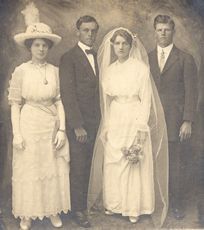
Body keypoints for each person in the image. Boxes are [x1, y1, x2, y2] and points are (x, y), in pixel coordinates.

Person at [87, 28, 168, 227]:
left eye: (125, 43)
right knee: (114, 160)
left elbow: (146, 99)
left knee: (134, 160)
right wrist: (106, 125)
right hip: (115, 117)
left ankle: (134, 207)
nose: (121, 47)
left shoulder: (140, 68)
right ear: (112, 46)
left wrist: (141, 126)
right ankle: (115, 204)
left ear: (131, 46)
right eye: (117, 43)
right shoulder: (109, 70)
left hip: (134, 115)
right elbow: (106, 101)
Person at [8, 22, 70, 230]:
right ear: (30, 47)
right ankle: (27, 214)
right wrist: (17, 134)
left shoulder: (54, 71)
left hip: (50, 123)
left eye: (44, 45)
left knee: (51, 166)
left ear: (49, 48)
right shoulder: (21, 71)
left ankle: (52, 211)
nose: (41, 49)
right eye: (37, 45)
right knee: (30, 168)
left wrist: (62, 129)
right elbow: (15, 103)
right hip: (29, 123)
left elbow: (60, 100)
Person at [148, 15, 197, 219]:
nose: (163, 33)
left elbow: (191, 92)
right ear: (155, 31)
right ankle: (154, 203)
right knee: (152, 163)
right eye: (159, 30)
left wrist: (187, 120)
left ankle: (175, 204)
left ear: (173, 32)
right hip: (150, 122)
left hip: (175, 121)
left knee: (175, 165)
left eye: (166, 30)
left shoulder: (185, 58)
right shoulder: (147, 57)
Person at [59, 15, 100, 228]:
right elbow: (68, 94)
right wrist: (77, 125)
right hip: (80, 125)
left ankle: (88, 203)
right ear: (78, 32)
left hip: (98, 123)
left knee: (93, 165)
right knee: (79, 167)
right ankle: (78, 210)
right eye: (86, 30)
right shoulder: (68, 57)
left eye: (93, 30)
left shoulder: (100, 56)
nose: (90, 34)